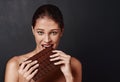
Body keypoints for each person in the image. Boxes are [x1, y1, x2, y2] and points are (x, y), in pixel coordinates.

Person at [5, 4, 82, 82]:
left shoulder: (74, 65)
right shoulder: (15, 65)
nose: (47, 40)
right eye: (40, 32)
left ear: (61, 31)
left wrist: (69, 77)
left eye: (54, 32)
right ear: (33, 30)